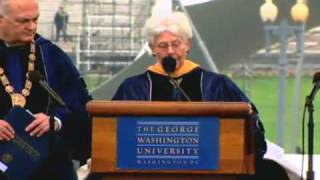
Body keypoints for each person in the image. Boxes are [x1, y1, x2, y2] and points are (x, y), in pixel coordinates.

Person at [113, 11, 288, 179]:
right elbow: (111, 134)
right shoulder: (134, 88)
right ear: (152, 49)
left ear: (187, 45)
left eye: (176, 43)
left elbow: (251, 129)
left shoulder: (217, 85)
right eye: (162, 45)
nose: (170, 51)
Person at [0, 0, 91, 179]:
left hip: (47, 166)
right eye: (23, 21)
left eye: (35, 19)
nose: (32, 27)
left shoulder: (50, 55)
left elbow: (78, 102)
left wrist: (55, 120)